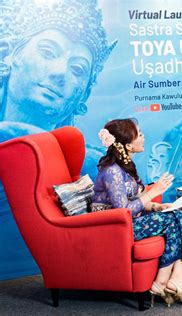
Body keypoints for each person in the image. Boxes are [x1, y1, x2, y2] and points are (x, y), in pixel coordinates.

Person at [0, 0, 115, 280]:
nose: (60, 72)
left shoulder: (89, 164)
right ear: (8, 55)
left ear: (83, 94)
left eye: (77, 70)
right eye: (48, 52)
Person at [92, 118, 182, 307]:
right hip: (114, 228)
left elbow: (136, 201)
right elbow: (122, 211)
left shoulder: (126, 166)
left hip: (132, 222)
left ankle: (174, 279)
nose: (143, 137)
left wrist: (156, 206)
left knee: (180, 216)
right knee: (173, 221)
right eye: (139, 134)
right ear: (128, 145)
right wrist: (153, 192)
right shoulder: (112, 171)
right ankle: (165, 282)